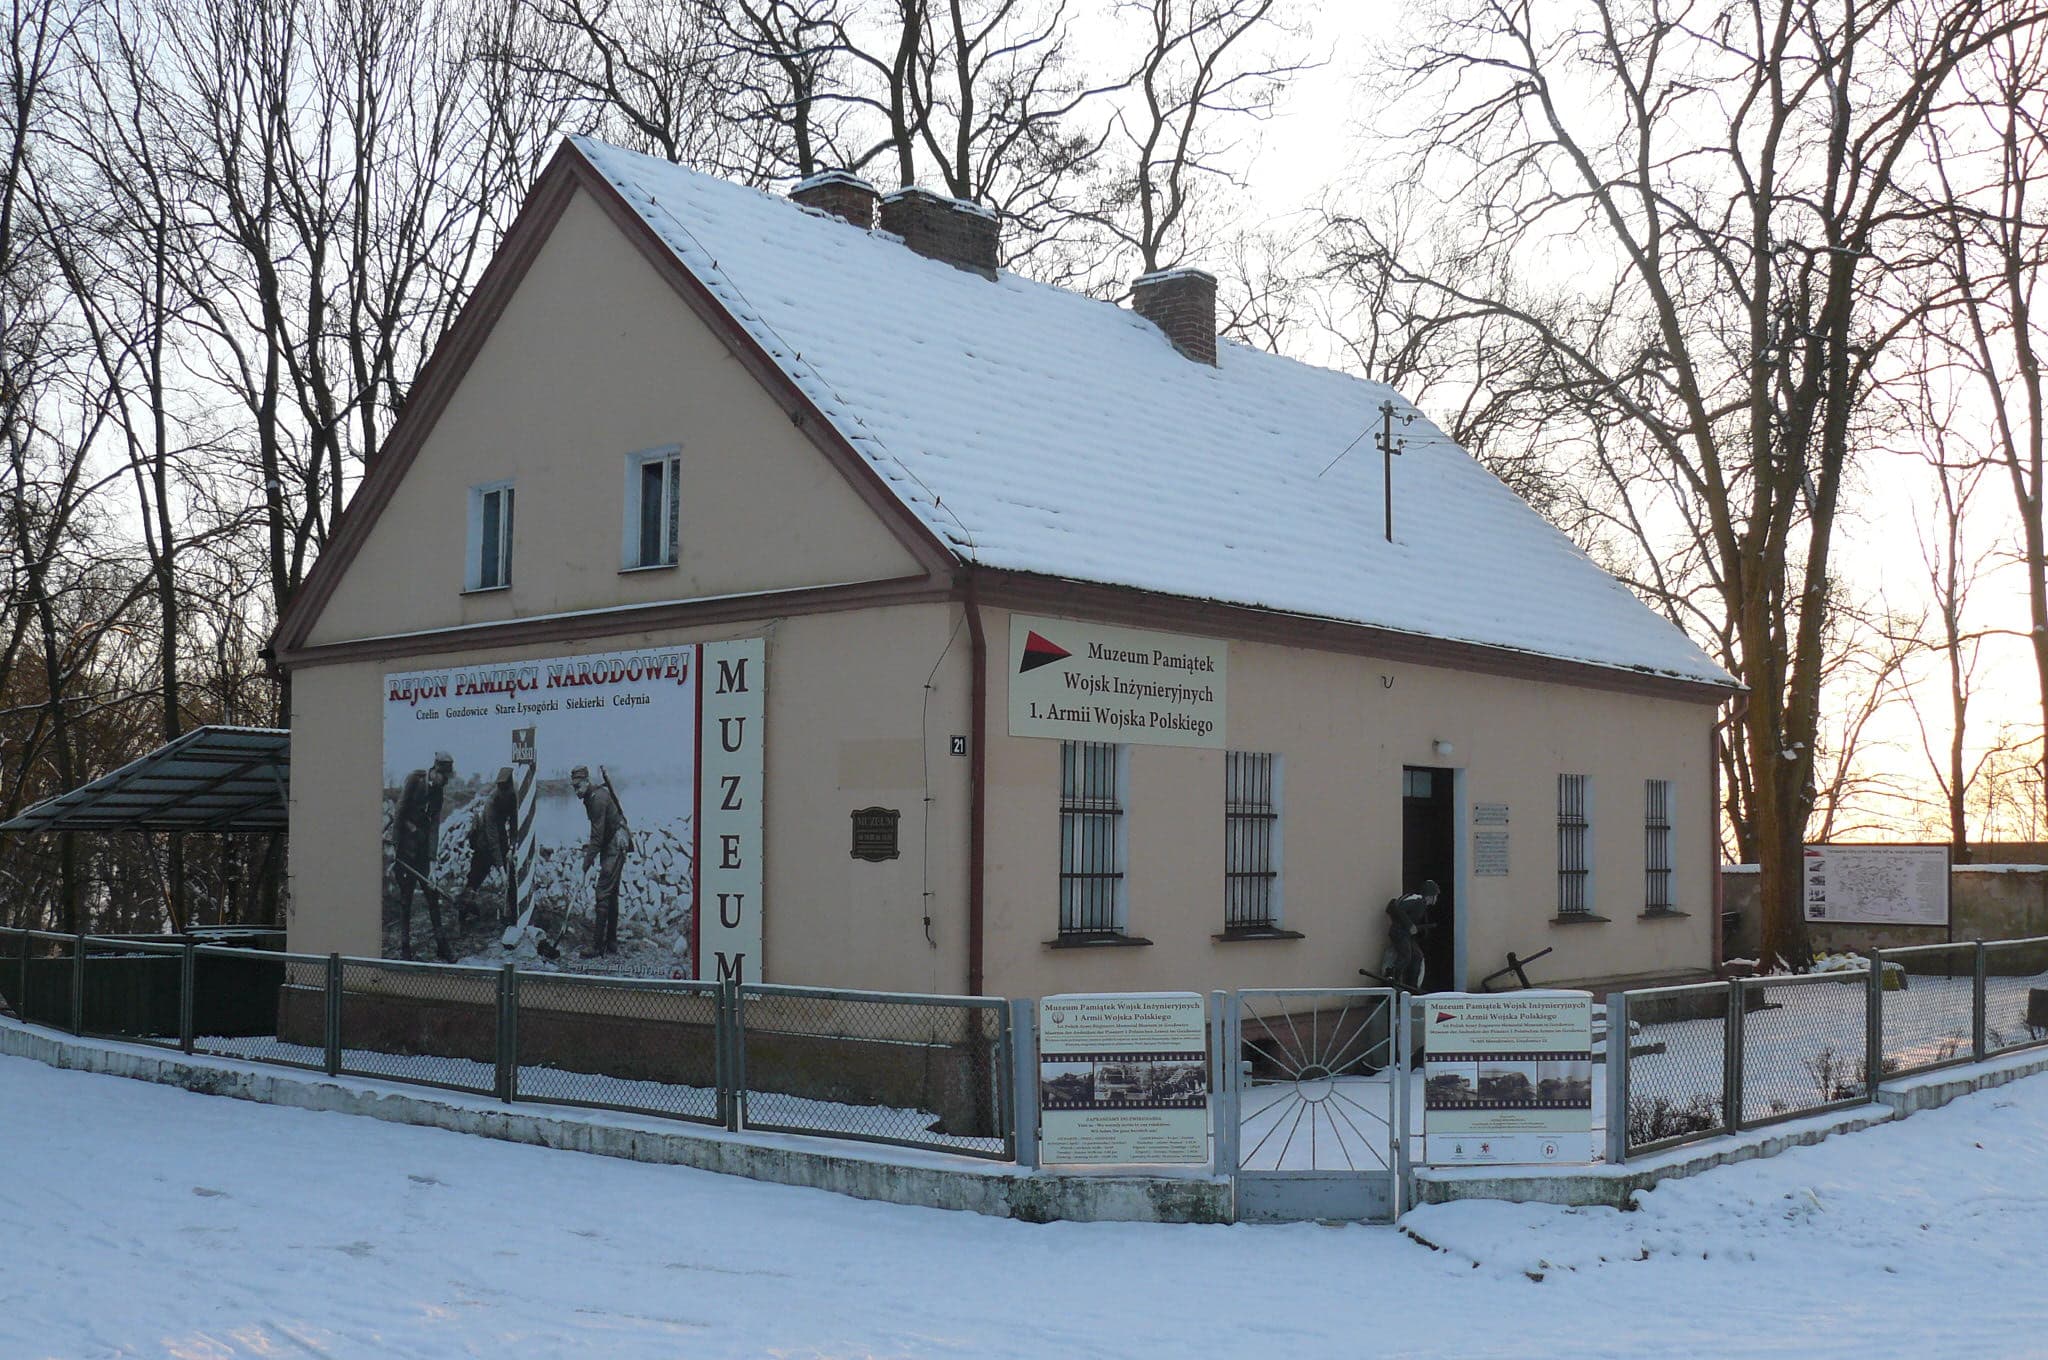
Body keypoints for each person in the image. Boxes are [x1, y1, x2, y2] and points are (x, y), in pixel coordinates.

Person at [392, 752, 455, 961]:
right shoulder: (414, 780)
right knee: (406, 900)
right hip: (405, 851)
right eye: (443, 777)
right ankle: (405, 946)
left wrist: (433, 861)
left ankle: (441, 945)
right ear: (435, 771)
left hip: (422, 854)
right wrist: (397, 844)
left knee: (432, 896)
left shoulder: (438, 792)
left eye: (447, 779)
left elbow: (435, 827)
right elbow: (399, 812)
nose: (445, 782)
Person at [572, 765, 630, 958]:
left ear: (587, 782)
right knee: (611, 894)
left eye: (578, 786)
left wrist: (585, 864)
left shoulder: (597, 799)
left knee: (602, 893)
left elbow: (596, 837)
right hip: (613, 842)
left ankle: (597, 947)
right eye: (574, 787)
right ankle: (611, 943)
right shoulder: (592, 796)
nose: (576, 791)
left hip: (615, 844)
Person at [461, 767, 519, 924]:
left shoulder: (513, 797)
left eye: (505, 789)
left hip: (501, 839)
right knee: (475, 878)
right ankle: (464, 912)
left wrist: (512, 848)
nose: (502, 792)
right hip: (483, 843)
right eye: (499, 788)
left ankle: (514, 915)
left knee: (512, 879)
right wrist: (501, 870)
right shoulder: (491, 803)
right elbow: (492, 841)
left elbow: (514, 825)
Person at [1381, 879, 1439, 992]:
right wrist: (1410, 925)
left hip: (1404, 933)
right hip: (1399, 932)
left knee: (1417, 955)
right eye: (1435, 895)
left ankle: (1412, 986)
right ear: (1431, 896)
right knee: (1406, 956)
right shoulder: (1419, 901)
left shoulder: (1415, 899)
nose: (1436, 898)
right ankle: (1392, 978)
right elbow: (1394, 907)